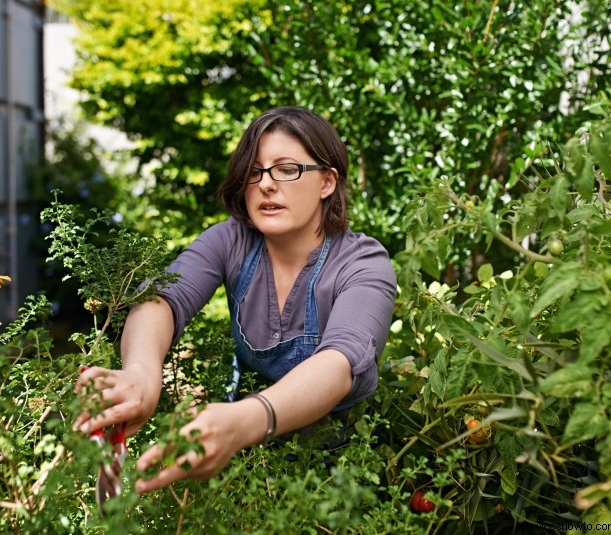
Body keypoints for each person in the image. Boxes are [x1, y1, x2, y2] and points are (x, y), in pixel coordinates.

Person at [74, 106, 397, 494]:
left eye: (286, 169)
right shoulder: (232, 241)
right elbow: (162, 299)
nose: (265, 184)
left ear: (327, 181)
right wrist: (142, 373)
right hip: (247, 465)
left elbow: (339, 364)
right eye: (254, 171)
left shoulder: (363, 263)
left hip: (345, 472)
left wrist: (244, 419)